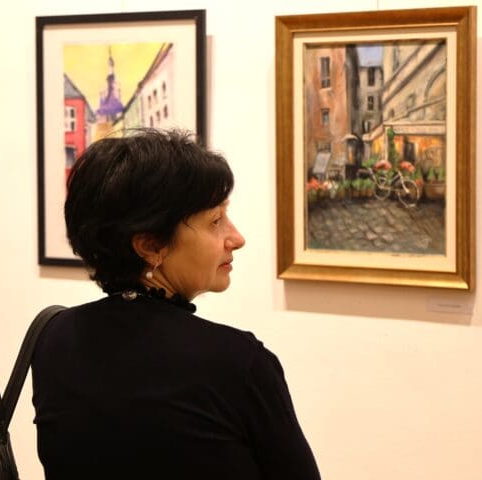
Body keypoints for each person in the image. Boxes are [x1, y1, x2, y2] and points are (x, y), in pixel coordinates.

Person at [31, 129, 321, 479]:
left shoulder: (52, 338)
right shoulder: (237, 362)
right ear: (151, 246)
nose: (237, 238)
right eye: (215, 221)